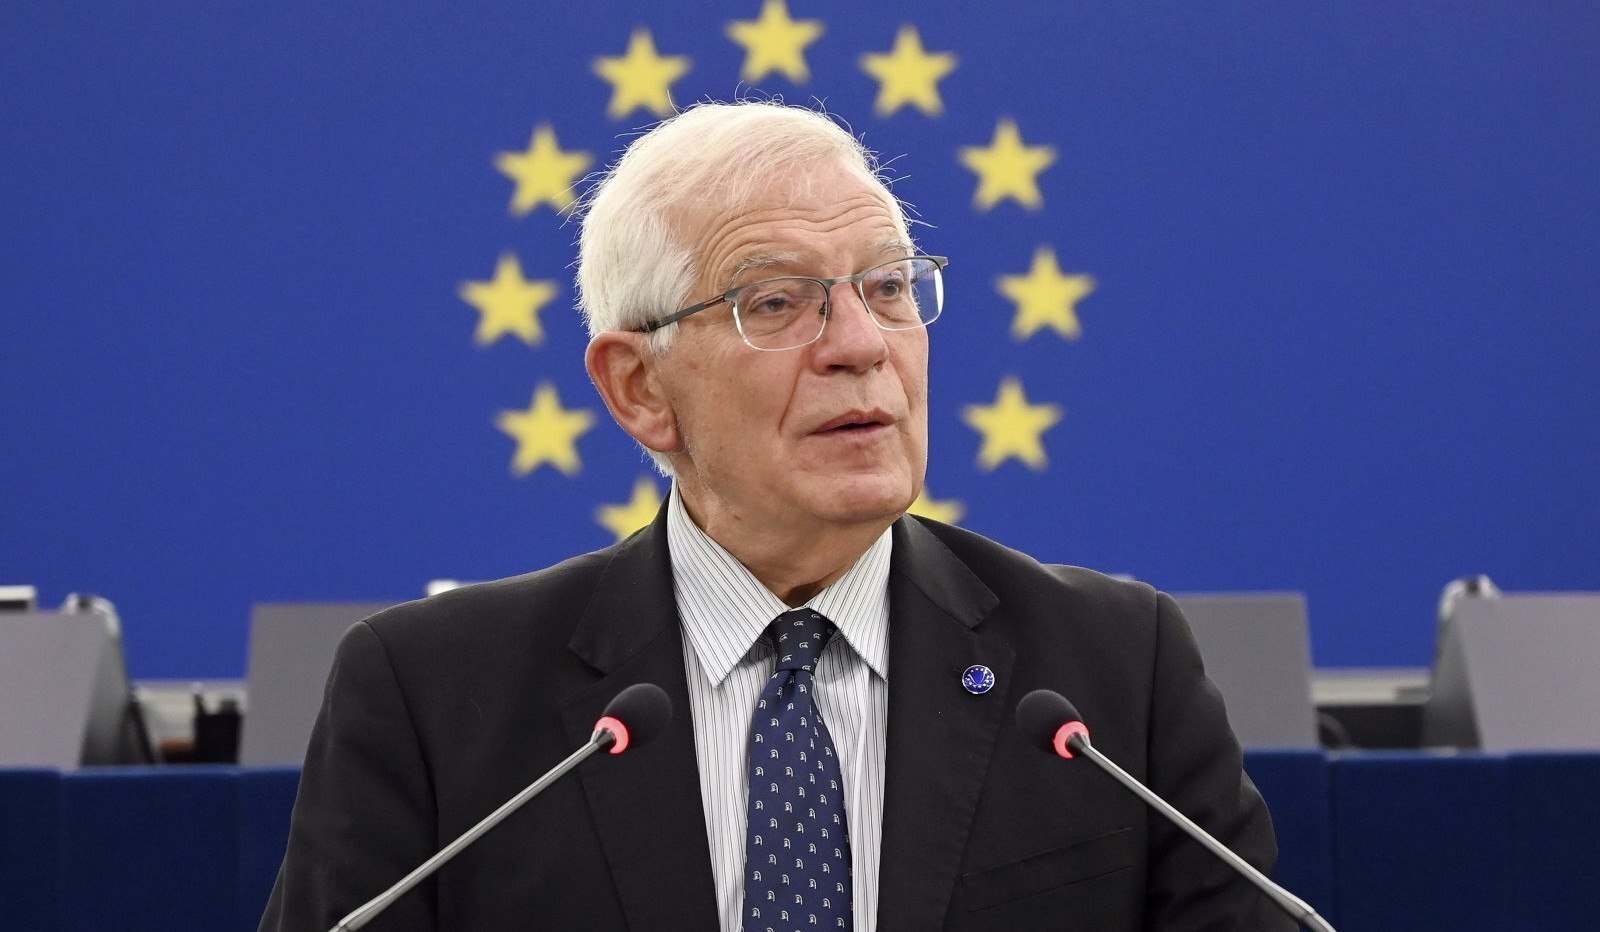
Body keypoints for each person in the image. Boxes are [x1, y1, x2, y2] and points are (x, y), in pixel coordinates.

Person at [261, 101, 1291, 932]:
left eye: (888, 287)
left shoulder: (1112, 674)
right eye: (776, 303)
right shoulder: (435, 697)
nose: (862, 344)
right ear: (639, 388)